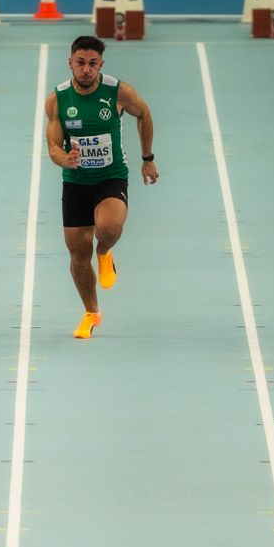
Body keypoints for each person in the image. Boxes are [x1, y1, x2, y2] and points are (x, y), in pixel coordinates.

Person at [44, 35, 158, 341]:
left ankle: (105, 252)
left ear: (101, 65)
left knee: (107, 228)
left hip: (111, 178)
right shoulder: (57, 99)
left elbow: (144, 114)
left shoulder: (118, 92)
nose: (86, 70)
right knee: (78, 254)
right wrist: (64, 159)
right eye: (80, 63)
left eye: (92, 64)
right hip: (76, 183)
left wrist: (147, 158)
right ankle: (91, 312)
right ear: (70, 63)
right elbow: (52, 147)